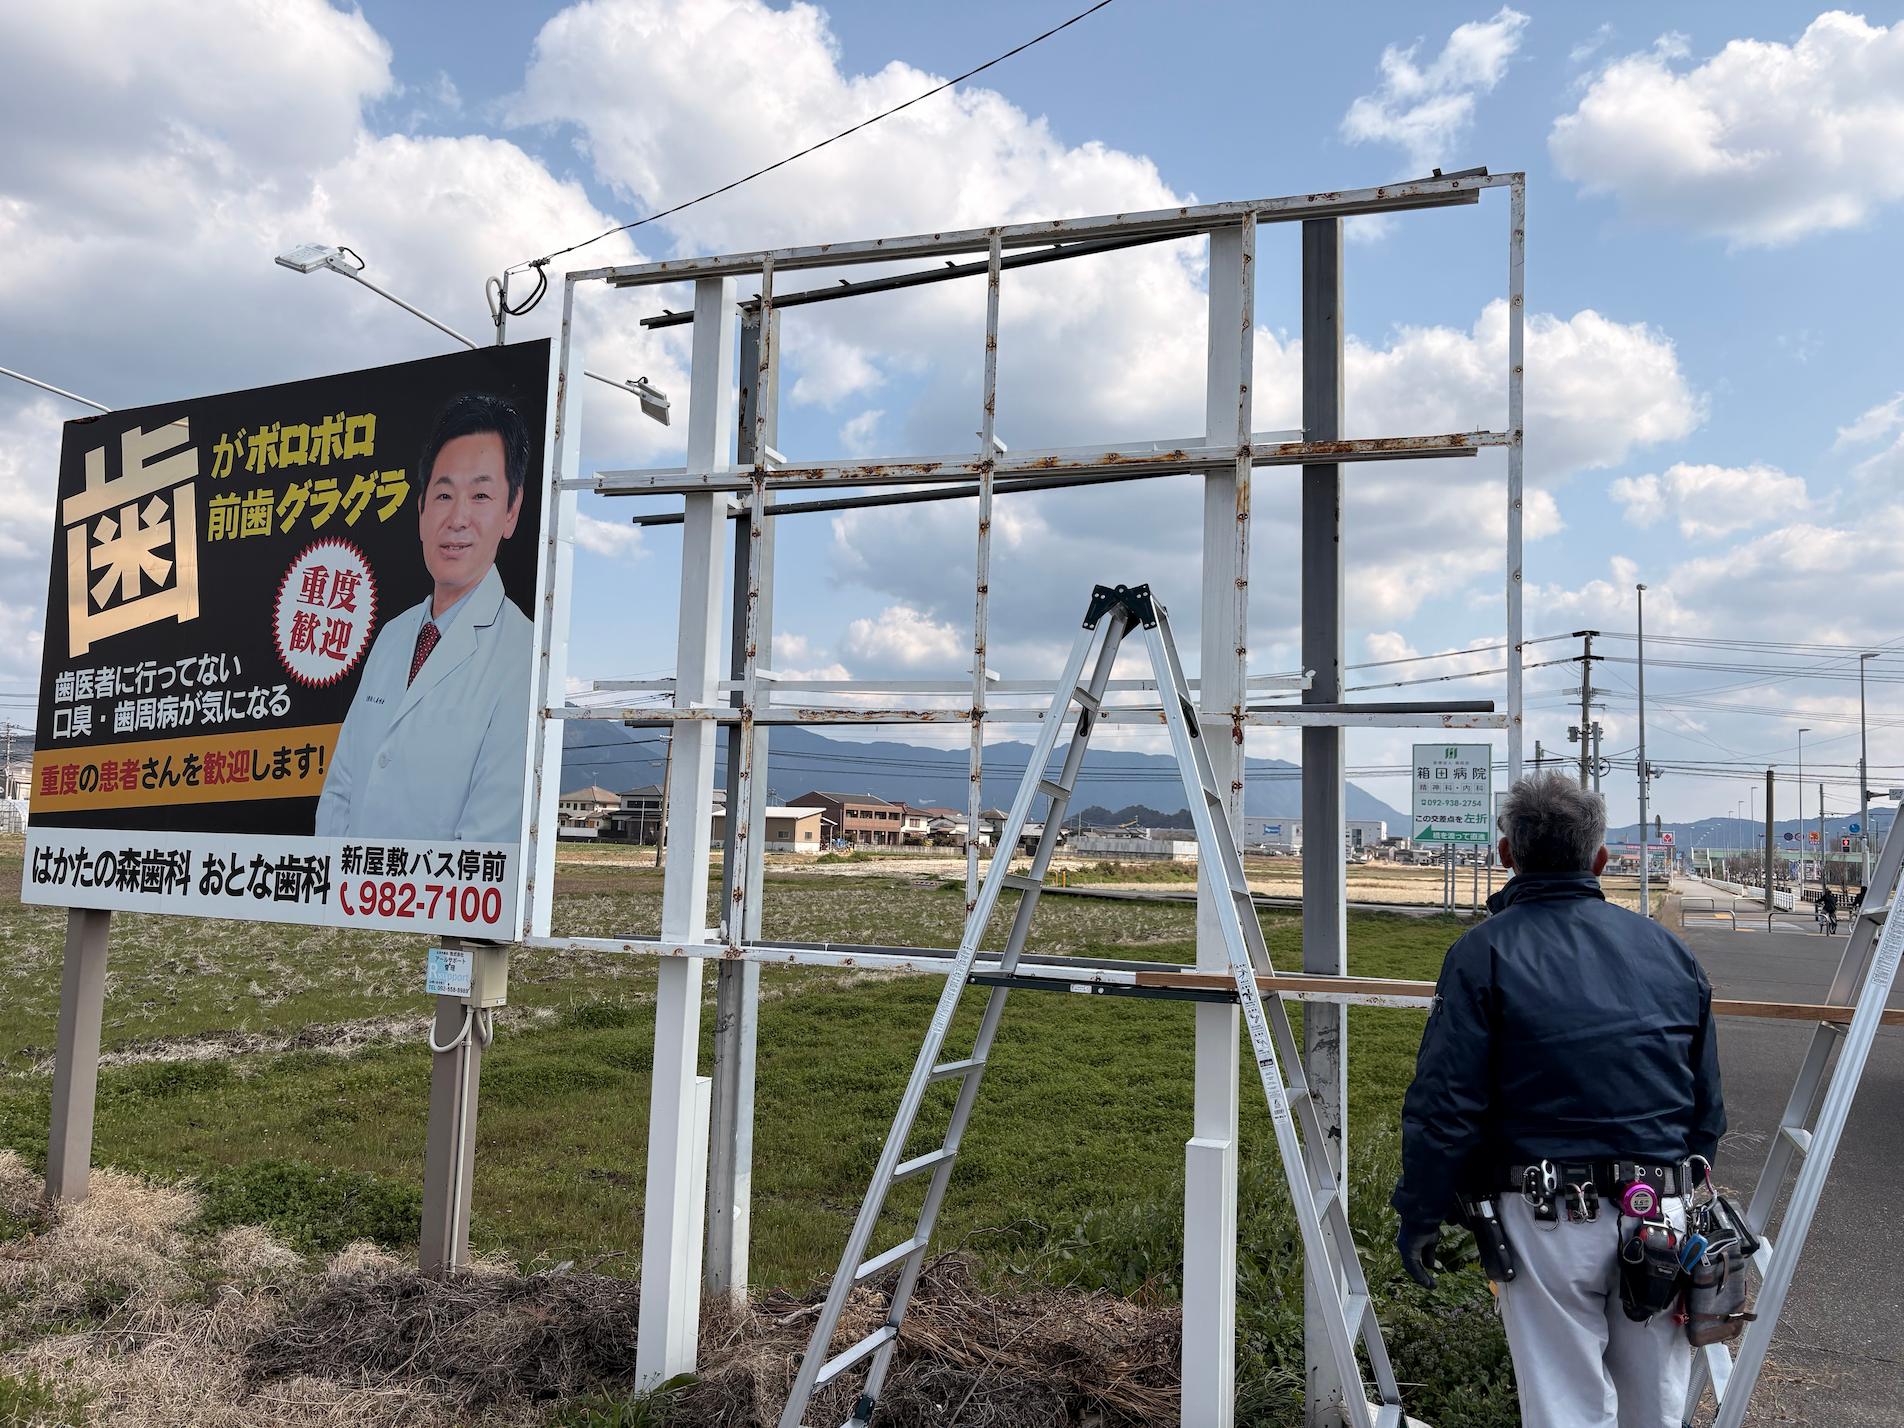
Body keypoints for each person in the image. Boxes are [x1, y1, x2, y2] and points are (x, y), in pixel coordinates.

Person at [1392, 772, 1726, 1427]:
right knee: (1657, 1406)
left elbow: (1445, 1104)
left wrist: (1423, 1211)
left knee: (1565, 1405)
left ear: (1505, 853)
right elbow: (1705, 1108)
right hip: (1661, 1208)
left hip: (1546, 1215)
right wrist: (1685, 1192)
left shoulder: (1482, 954)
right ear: (1600, 860)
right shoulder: (1670, 953)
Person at [316, 392, 535, 843]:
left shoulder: (526, 653)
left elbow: (489, 839)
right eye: (443, 494)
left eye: (480, 495)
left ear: (511, 512)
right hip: (347, 905)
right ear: (420, 511)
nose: (457, 518)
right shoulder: (394, 636)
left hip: (438, 909)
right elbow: (341, 790)